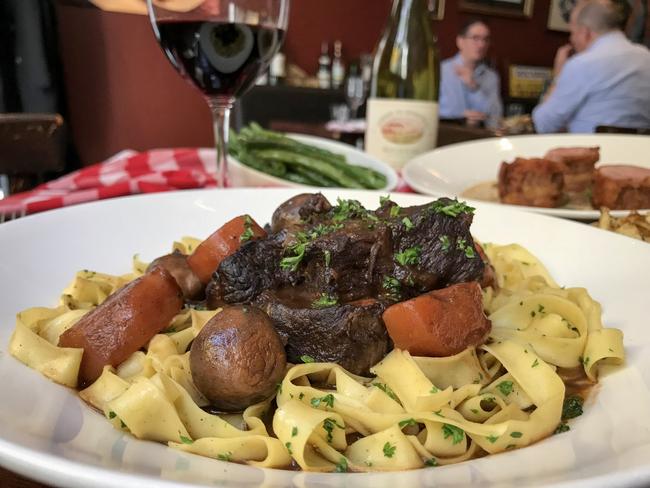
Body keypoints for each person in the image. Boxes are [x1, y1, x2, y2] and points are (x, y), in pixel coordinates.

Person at [532, 0, 650, 133]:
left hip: (591, 150)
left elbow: (543, 124)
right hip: (642, 150)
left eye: (572, 33)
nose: (571, 39)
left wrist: (558, 77)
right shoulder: (646, 57)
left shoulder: (582, 64)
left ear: (585, 32)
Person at [439, 19, 503, 129]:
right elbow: (424, 110)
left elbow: (495, 117)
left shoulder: (491, 77)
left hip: (481, 138)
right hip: (445, 135)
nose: (481, 44)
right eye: (475, 38)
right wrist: (459, 116)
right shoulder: (441, 71)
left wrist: (474, 87)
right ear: (460, 41)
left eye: (485, 39)